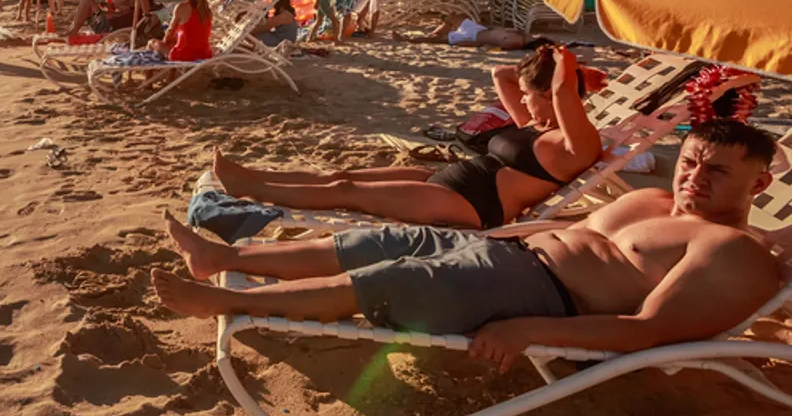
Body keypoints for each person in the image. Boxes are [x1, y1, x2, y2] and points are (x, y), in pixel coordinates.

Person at [156, 120, 788, 372]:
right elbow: (573, 232)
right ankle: (223, 259)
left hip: (543, 295)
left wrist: (526, 329)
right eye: (692, 162)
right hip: (507, 250)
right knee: (377, 239)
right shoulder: (652, 200)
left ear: (759, 184)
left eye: (716, 173)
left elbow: (649, 330)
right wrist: (491, 235)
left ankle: (221, 304)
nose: (693, 178)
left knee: (403, 280)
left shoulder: (735, 252)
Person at [211, 44, 602, 228]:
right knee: (341, 176)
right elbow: (501, 75)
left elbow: (566, 94)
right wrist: (555, 62)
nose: (522, 101)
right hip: (446, 181)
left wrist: (566, 64)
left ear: (552, 96)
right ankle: (254, 178)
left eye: (531, 96)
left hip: (467, 204)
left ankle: (250, 188)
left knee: (346, 191)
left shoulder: (574, 145)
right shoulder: (535, 126)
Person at [149, 0, 215, 61]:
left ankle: (149, 74)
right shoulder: (207, 11)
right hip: (204, 54)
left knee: (152, 43)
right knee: (174, 42)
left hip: (184, 55)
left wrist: (165, 42)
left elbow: (169, 32)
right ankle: (170, 74)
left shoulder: (181, 7)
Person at [393, 13, 533, 50]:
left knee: (436, 40)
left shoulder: (515, 42)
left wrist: (466, 43)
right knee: (455, 17)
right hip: (478, 30)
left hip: (473, 38)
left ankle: (407, 39)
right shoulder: (518, 35)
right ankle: (436, 32)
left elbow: (486, 46)